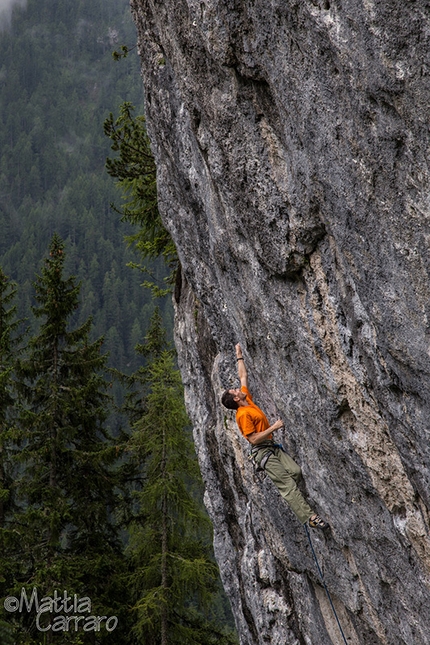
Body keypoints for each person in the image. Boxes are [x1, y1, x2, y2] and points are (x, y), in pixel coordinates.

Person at [221, 344, 329, 531]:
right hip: (263, 452)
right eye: (234, 391)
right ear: (236, 399)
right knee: (287, 484)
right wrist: (274, 427)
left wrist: (239, 356)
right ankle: (310, 517)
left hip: (270, 447)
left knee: (295, 472)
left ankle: (294, 497)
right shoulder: (243, 415)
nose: (237, 388)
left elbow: (242, 376)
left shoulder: (247, 401)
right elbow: (253, 439)